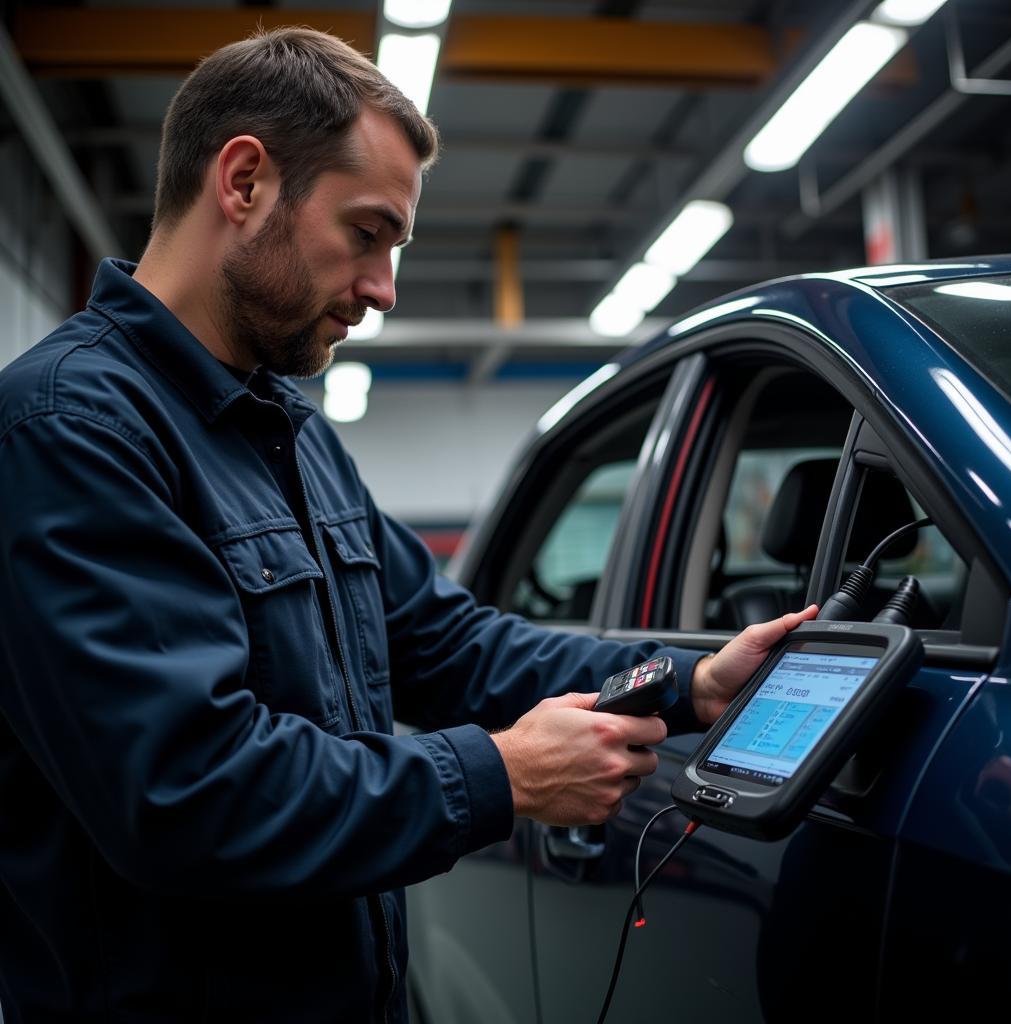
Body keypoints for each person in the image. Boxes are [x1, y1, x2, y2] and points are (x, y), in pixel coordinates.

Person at [0, 27, 816, 1024]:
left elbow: (445, 641)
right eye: (368, 233)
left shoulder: (291, 434)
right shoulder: (70, 431)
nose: (384, 288)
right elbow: (183, 790)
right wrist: (500, 774)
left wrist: (684, 681)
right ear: (245, 181)